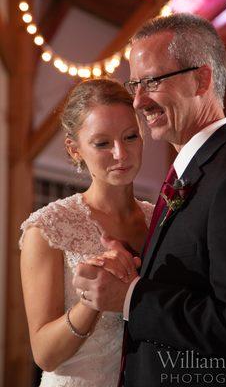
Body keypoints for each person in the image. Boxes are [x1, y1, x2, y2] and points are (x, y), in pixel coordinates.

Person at [73, 14, 226, 387]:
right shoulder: (198, 171)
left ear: (201, 79)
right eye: (135, 83)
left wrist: (131, 297)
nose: (138, 101)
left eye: (152, 81)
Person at [20, 78, 154, 387]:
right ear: (75, 148)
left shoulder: (158, 218)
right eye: (102, 143)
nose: (120, 153)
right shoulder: (48, 228)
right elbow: (44, 355)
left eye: (130, 136)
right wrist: (91, 302)